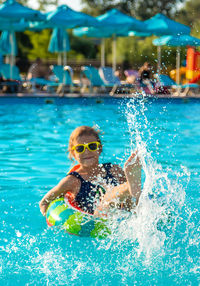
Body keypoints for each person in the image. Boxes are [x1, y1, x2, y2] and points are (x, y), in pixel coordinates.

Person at [39, 126, 142, 217]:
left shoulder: (114, 170)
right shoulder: (72, 181)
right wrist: (51, 219)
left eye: (92, 146)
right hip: (96, 220)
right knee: (107, 199)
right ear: (73, 153)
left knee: (131, 198)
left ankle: (132, 187)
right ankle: (130, 185)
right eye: (80, 148)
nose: (87, 151)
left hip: (120, 217)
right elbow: (44, 202)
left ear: (99, 148)